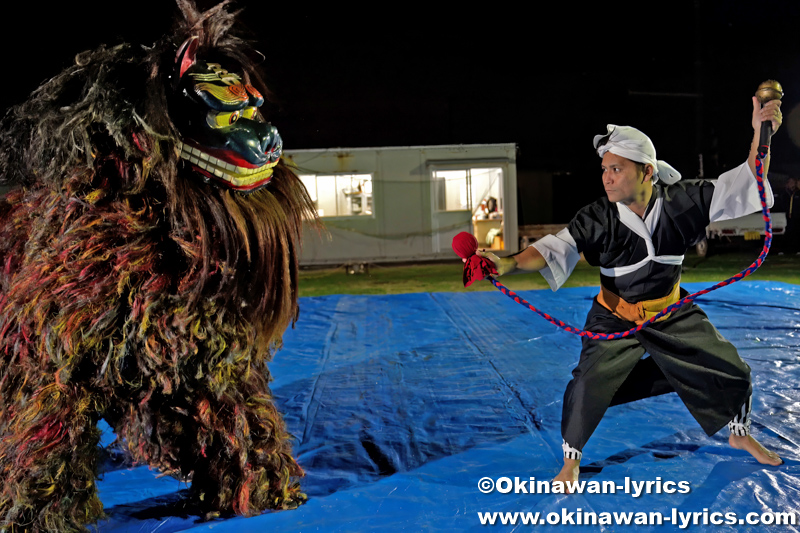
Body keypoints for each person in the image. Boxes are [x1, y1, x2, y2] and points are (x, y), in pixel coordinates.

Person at [475, 96, 784, 490]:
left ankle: (739, 433)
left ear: (647, 172)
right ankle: (571, 462)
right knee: (587, 384)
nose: (607, 178)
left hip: (670, 311)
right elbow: (553, 248)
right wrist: (506, 264)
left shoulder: (684, 202)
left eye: (617, 169)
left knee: (732, 367)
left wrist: (761, 133)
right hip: (614, 315)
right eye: (605, 169)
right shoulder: (597, 217)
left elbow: (745, 182)